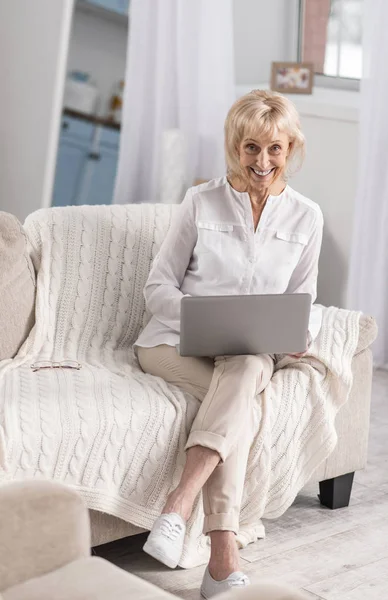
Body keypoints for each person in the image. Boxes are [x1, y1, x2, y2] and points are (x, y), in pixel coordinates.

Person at [135, 90, 323, 598]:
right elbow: (157, 289)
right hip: (173, 344)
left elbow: (301, 302)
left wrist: (297, 337)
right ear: (234, 148)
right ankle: (219, 560)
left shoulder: (307, 218)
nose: (263, 162)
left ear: (292, 149)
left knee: (244, 372)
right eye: (251, 148)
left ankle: (181, 510)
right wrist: (200, 315)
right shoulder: (201, 201)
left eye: (275, 149)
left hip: (246, 354)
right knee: (241, 405)